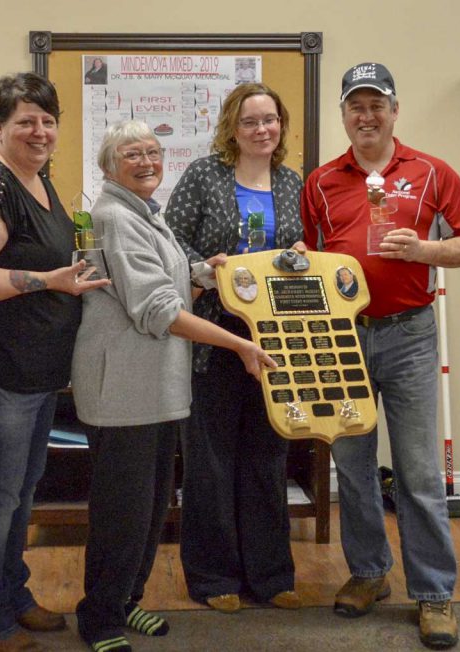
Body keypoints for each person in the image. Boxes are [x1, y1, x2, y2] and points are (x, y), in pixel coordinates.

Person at [299, 62, 460, 650]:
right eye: (356, 106)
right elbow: (311, 254)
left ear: (394, 111)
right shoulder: (321, 181)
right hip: (343, 337)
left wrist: (424, 250)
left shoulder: (431, 172)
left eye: (376, 104)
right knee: (352, 464)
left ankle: (433, 593)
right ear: (344, 115)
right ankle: (369, 573)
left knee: (418, 471)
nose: (367, 116)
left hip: (409, 336)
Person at [71, 119, 274, 652]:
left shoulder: (145, 213)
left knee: (153, 506)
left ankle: (126, 599)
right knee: (123, 513)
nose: (147, 162)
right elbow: (157, 308)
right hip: (123, 393)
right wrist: (239, 345)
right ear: (109, 166)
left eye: (153, 152)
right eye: (132, 154)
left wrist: (204, 271)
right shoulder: (114, 217)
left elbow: (168, 277)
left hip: (157, 389)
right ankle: (99, 617)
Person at [0, 72, 110, 652]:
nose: (39, 132)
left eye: (47, 121)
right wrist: (49, 281)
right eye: (25, 121)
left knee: (20, 493)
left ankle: (13, 595)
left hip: (33, 373)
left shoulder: (37, 179)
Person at [167, 82, 303, 614]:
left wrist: (299, 253)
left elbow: (304, 252)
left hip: (275, 337)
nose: (261, 129)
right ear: (232, 127)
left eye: (269, 119)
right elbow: (171, 242)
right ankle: (213, 576)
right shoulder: (205, 175)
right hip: (213, 335)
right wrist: (205, 268)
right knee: (211, 460)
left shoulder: (292, 182)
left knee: (269, 457)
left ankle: (271, 575)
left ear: (280, 125)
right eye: (250, 121)